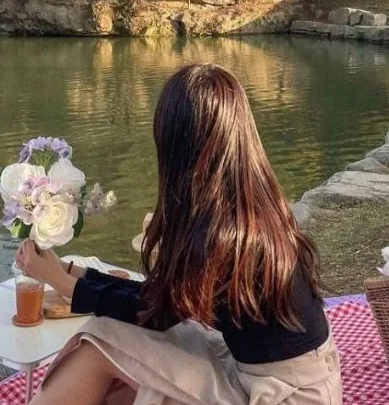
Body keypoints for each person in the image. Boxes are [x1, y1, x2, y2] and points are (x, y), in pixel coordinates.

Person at [17, 63, 342, 405]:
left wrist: (61, 282)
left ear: (177, 144)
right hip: (283, 376)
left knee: (100, 343)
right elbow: (158, 302)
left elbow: (150, 314)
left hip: (285, 394)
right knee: (113, 347)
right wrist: (73, 274)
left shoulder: (222, 234)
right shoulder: (247, 205)